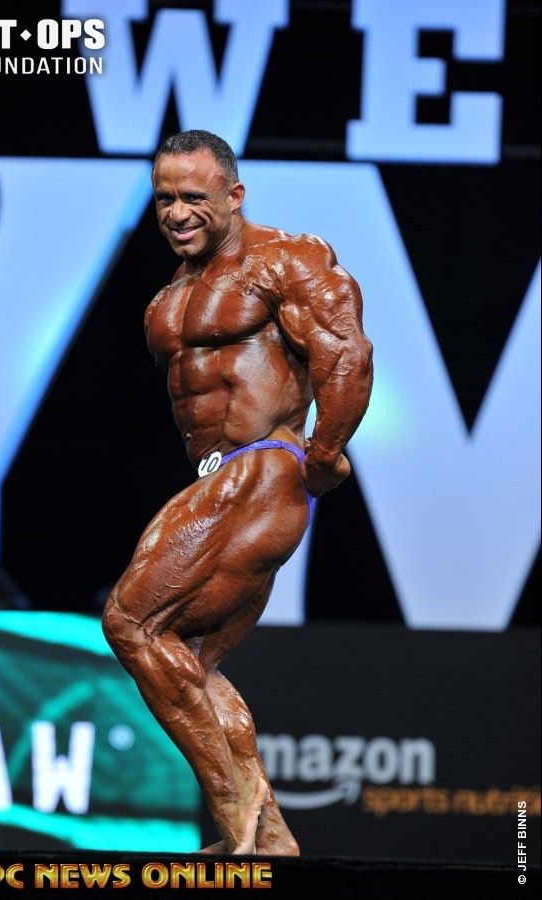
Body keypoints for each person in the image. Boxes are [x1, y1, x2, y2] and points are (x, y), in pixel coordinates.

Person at [102, 130, 373, 855]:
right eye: (165, 198)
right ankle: (272, 838)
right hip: (219, 479)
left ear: (234, 194)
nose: (177, 212)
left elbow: (346, 352)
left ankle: (235, 817)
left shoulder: (285, 259)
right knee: (185, 658)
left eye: (194, 195)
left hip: (265, 466)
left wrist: (323, 454)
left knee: (131, 622)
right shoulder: (166, 301)